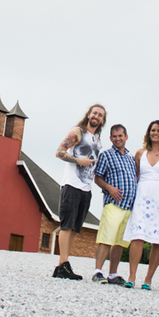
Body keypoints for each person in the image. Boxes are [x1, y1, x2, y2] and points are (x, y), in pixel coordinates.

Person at [52, 103, 106, 280]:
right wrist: (78, 161)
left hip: (86, 188)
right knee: (66, 225)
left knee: (75, 228)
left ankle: (63, 265)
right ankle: (63, 264)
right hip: (72, 185)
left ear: (102, 120)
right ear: (89, 114)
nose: (96, 116)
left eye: (100, 115)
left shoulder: (97, 140)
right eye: (94, 113)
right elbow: (59, 152)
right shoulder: (78, 132)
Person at [122, 120, 159, 290]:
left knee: (158, 240)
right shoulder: (140, 153)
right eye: (152, 130)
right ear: (148, 133)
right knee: (137, 237)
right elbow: (136, 176)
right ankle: (131, 276)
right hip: (143, 196)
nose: (155, 133)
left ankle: (148, 279)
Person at [91, 124, 137, 284]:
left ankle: (112, 274)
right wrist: (109, 188)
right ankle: (97, 272)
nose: (118, 139)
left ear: (126, 137)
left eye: (120, 136)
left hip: (129, 206)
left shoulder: (131, 158)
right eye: (115, 136)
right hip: (113, 204)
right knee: (106, 238)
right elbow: (97, 178)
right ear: (110, 138)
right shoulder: (106, 155)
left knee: (119, 242)